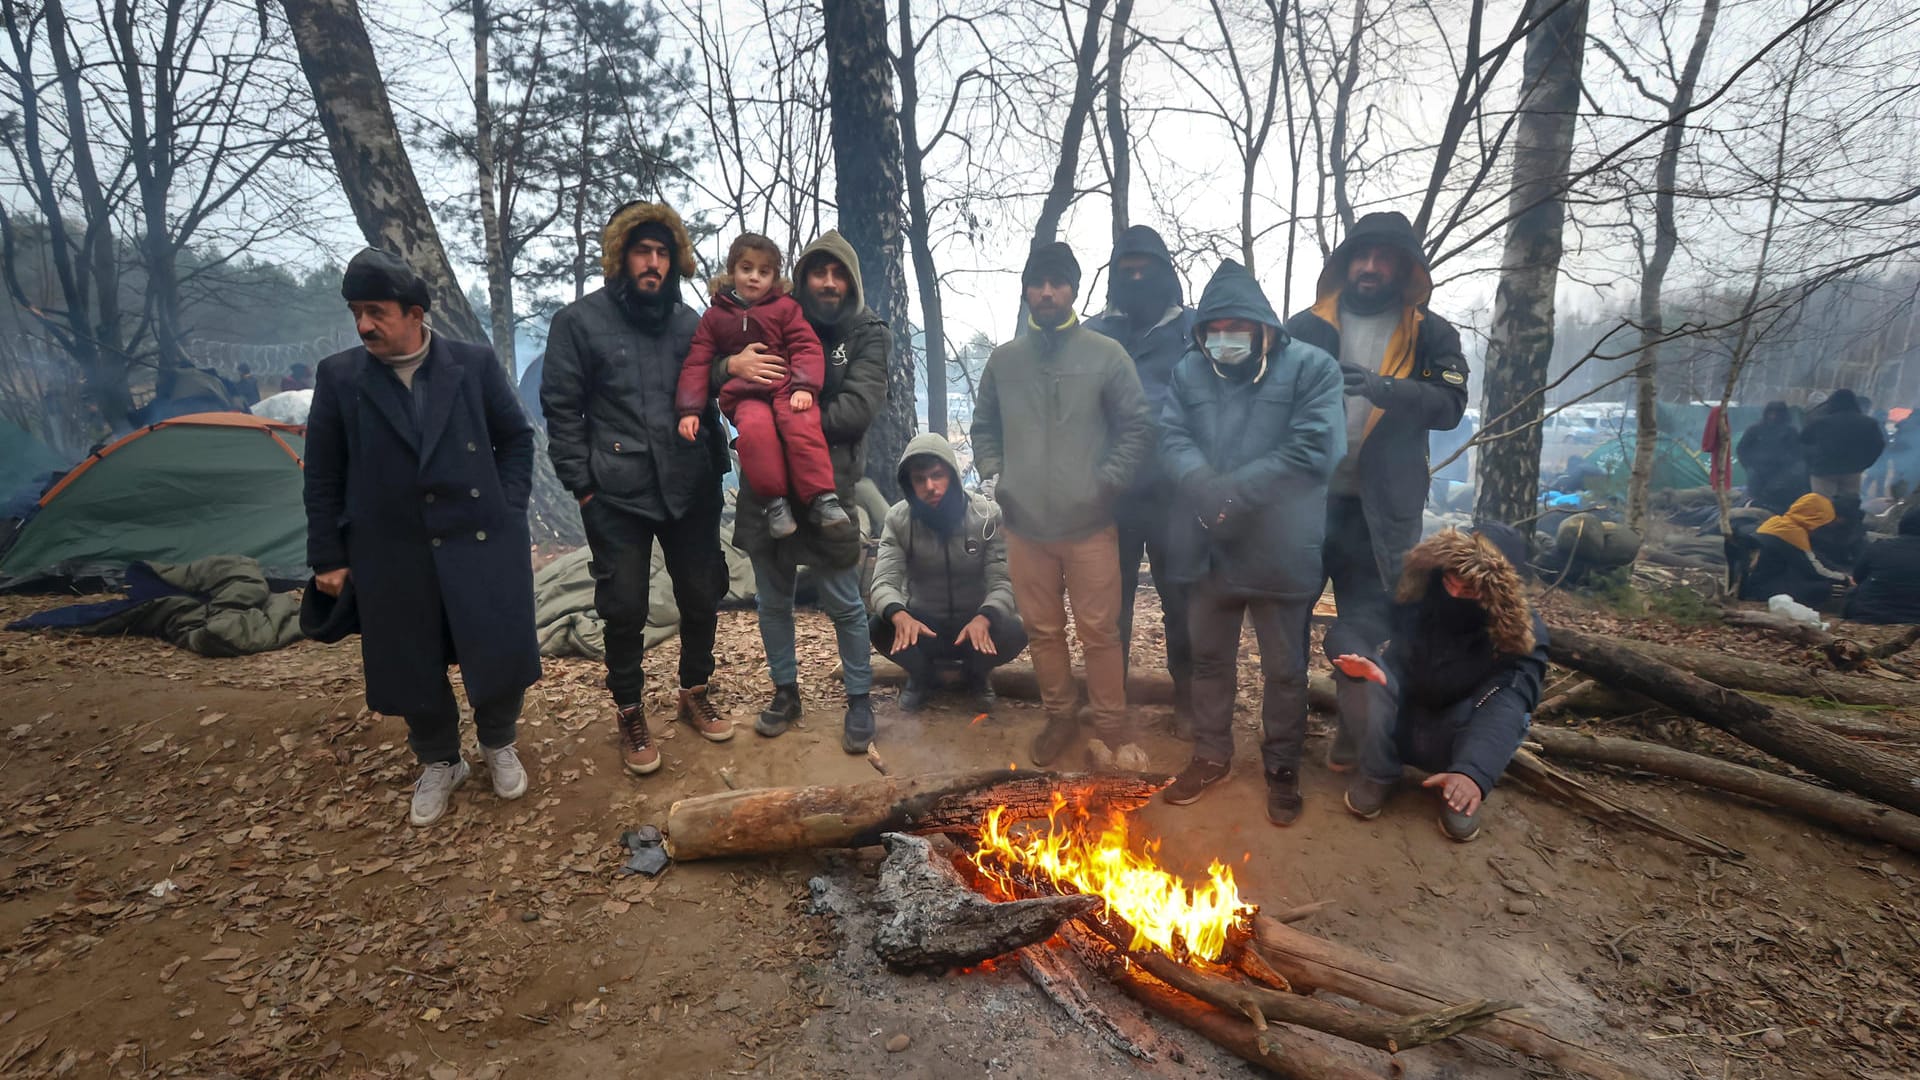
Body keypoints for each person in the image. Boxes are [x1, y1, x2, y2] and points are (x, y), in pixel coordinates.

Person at [303, 248, 540, 827]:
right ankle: (440, 759)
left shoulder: (473, 364)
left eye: (376, 311)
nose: (364, 325)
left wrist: (508, 510)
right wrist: (328, 555)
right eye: (357, 311)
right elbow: (324, 470)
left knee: (497, 647)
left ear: (415, 313)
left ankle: (497, 742)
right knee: (410, 660)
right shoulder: (340, 377)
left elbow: (516, 439)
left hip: (479, 538)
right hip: (390, 548)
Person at [542, 200, 736, 776]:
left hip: (690, 486)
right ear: (620, 258)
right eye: (641, 252)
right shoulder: (578, 323)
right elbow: (561, 410)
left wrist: (718, 465)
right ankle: (629, 709)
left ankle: (693, 691)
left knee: (702, 595)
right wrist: (583, 487)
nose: (653, 263)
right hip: (616, 492)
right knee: (623, 608)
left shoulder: (691, 324)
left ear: (674, 260)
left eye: (662, 253)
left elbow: (713, 392)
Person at [1155, 260, 1344, 823]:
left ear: (1264, 327)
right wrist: (1200, 483)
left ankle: (1283, 766)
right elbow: (1170, 436)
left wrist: (1232, 491)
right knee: (1209, 660)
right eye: (1213, 328)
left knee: (1284, 669)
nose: (1224, 338)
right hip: (1208, 546)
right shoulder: (1190, 372)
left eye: (1236, 326)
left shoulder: (1313, 368)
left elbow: (1317, 449)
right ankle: (1211, 754)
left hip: (1280, 548)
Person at [1286, 211, 1470, 773]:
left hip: (1380, 509)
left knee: (1364, 623)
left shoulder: (1431, 333)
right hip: (1305, 503)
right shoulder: (1305, 326)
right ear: (1345, 263)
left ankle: (1353, 728)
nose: (1369, 267)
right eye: (1361, 256)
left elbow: (1451, 406)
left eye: (1383, 257)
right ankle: (1285, 731)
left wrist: (1387, 389)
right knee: (1288, 616)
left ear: (1403, 267)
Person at [971, 240, 1155, 770]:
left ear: (1074, 289)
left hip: (1090, 524)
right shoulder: (1005, 361)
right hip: (1025, 526)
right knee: (1043, 631)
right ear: (1027, 289)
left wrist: (1107, 483)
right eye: (1038, 282)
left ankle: (1112, 726)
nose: (1047, 292)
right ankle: (1059, 717)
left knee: (1100, 632)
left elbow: (1136, 427)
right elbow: (985, 427)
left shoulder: (1105, 355)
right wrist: (996, 474)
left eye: (1058, 282)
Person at [716, 230, 889, 753]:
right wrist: (730, 367)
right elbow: (711, 363)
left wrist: (786, 415)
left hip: (827, 483)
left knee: (843, 600)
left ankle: (859, 697)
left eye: (838, 274)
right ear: (805, 276)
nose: (829, 283)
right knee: (773, 600)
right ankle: (786, 691)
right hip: (765, 482)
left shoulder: (868, 334)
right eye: (819, 271)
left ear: (851, 281)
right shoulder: (770, 313)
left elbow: (857, 409)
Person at [1337, 525, 1548, 843]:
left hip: (1456, 733)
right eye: (1450, 581)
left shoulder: (1519, 630)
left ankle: (1461, 790)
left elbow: (1511, 699)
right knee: (1357, 673)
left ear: (1497, 593)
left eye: (1468, 591)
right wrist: (1358, 658)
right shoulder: (1416, 591)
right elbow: (1353, 626)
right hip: (1399, 718)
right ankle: (1377, 772)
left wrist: (1475, 771)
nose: (1453, 594)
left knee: (1512, 707)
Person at [1083, 226, 1197, 727]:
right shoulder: (1094, 334)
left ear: (1166, 273)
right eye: (1125, 270)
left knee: (1182, 598)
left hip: (1176, 491)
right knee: (1110, 601)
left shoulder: (1195, 330)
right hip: (1113, 491)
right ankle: (1110, 702)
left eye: (1145, 268)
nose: (1135, 277)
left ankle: (1191, 700)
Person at [674, 233, 851, 539]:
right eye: (746, 268)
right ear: (732, 270)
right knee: (755, 434)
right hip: (744, 396)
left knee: (801, 425)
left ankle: (822, 497)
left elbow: (806, 347)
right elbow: (697, 363)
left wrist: (804, 387)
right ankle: (775, 503)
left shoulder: (785, 309)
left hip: (785, 387)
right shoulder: (715, 317)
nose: (754, 277)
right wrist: (689, 409)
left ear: (773, 277)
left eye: (764, 271)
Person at [869, 433, 1029, 711]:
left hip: (976, 627)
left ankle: (977, 675)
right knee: (878, 626)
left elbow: (1003, 581)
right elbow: (883, 582)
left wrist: (985, 616)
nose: (930, 487)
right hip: (924, 627)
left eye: (937, 475)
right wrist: (900, 614)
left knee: (1019, 627)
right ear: (909, 484)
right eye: (920, 479)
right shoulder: (898, 519)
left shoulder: (987, 516)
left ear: (953, 475)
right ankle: (921, 677)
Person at [1737, 492, 1850, 607]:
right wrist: (1844, 578)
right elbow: (1815, 570)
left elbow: (1813, 556)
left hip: (1753, 581)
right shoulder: (1794, 534)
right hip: (1763, 588)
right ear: (1814, 518)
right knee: (1822, 588)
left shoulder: (1776, 522)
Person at [1800, 389, 1885, 497]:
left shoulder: (1820, 423)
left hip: (1823, 470)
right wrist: (1864, 463)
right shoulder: (1868, 423)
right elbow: (1878, 445)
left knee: (1822, 505)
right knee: (1847, 505)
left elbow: (1802, 443)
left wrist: (1812, 461)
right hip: (1852, 470)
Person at [1845, 504, 1920, 624]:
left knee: (1853, 592)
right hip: (1915, 620)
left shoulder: (1879, 547)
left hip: (1870, 615)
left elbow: (1857, 578)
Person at [1736, 401, 1808, 514]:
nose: (1773, 416)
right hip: (1757, 472)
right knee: (1754, 500)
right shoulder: (1755, 430)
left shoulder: (1790, 431)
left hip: (1781, 474)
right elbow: (1742, 449)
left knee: (1777, 502)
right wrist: (1749, 466)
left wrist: (1789, 469)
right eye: (1771, 412)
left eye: (1777, 413)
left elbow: (1797, 453)